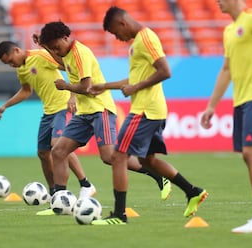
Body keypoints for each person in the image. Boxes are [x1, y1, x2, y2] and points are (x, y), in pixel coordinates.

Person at [89, 7, 208, 225]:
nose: (118, 38)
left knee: (118, 157)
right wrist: (105, 86)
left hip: (144, 110)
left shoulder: (146, 38)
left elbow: (165, 70)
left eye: (116, 33)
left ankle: (119, 215)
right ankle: (192, 191)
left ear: (122, 23)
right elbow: (134, 79)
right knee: (147, 159)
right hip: (153, 110)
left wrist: (137, 88)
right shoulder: (138, 43)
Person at [37, 21, 172, 201]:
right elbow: (61, 62)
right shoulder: (67, 53)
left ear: (65, 38)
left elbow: (87, 87)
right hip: (84, 113)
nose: (55, 51)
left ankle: (159, 176)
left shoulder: (80, 53)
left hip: (101, 110)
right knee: (59, 151)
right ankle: (60, 200)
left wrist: (65, 86)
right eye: (52, 49)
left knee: (109, 157)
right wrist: (44, 46)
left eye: (56, 47)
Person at [200, 0, 252, 233]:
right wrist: (211, 106)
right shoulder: (229, 30)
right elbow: (226, 70)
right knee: (247, 156)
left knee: (251, 152)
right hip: (241, 99)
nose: (217, 2)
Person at [0, 41, 96, 215]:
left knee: (58, 145)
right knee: (42, 153)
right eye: (7, 64)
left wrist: (73, 96)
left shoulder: (41, 55)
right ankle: (54, 195)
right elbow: (26, 91)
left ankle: (85, 184)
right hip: (48, 112)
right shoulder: (21, 69)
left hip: (62, 107)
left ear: (17, 50)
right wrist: (5, 106)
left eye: (11, 60)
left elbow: (70, 70)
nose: (12, 65)